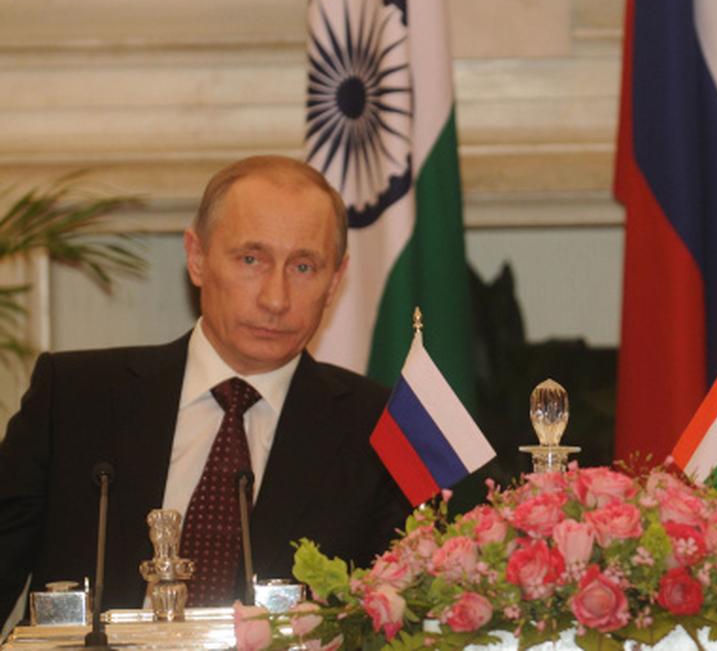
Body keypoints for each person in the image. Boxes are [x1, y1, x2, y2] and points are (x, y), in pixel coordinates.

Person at [0, 156, 410, 619]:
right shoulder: (75, 399)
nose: (275, 299)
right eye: (251, 259)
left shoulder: (379, 429)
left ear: (334, 282)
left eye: (303, 266)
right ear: (197, 258)